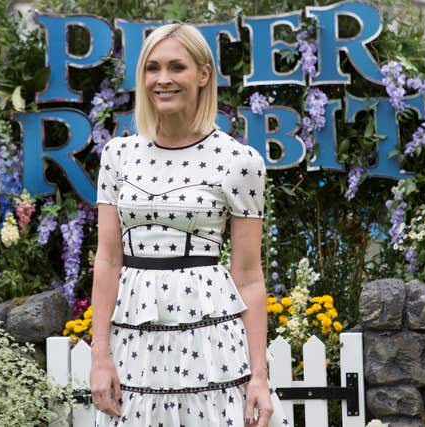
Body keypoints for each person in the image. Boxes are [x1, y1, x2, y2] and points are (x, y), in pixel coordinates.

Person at [90, 23, 287, 427]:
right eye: (152, 68)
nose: (162, 80)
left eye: (176, 67)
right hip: (134, 346)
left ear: (203, 74)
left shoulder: (238, 161)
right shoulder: (118, 156)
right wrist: (99, 356)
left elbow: (248, 277)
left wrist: (259, 378)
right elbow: (108, 260)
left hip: (212, 347)